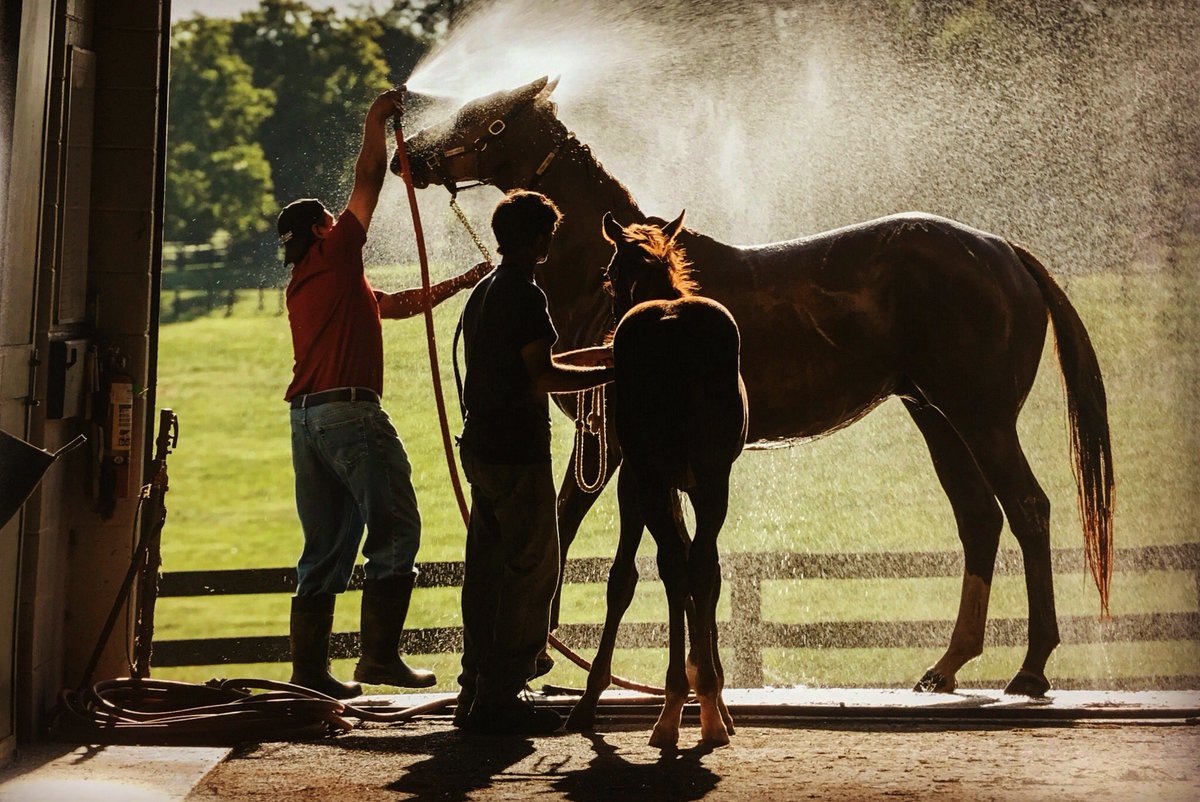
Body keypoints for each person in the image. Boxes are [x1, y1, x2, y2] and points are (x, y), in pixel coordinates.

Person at [277, 88, 488, 699]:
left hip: (308, 422)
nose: (341, 223)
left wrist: (465, 280)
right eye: (331, 219)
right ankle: (378, 660)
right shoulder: (335, 252)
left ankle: (310, 675)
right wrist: (374, 118)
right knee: (395, 529)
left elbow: (394, 305)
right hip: (350, 415)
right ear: (321, 229)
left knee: (324, 547)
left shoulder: (310, 281)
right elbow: (369, 177)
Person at [455, 190, 615, 734]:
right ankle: (505, 693)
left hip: (481, 448)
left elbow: (532, 362)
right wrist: (614, 374)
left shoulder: (485, 291)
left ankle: (474, 688)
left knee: (485, 572)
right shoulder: (526, 294)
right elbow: (542, 378)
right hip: (516, 453)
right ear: (541, 238)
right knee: (534, 567)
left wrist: (599, 357)